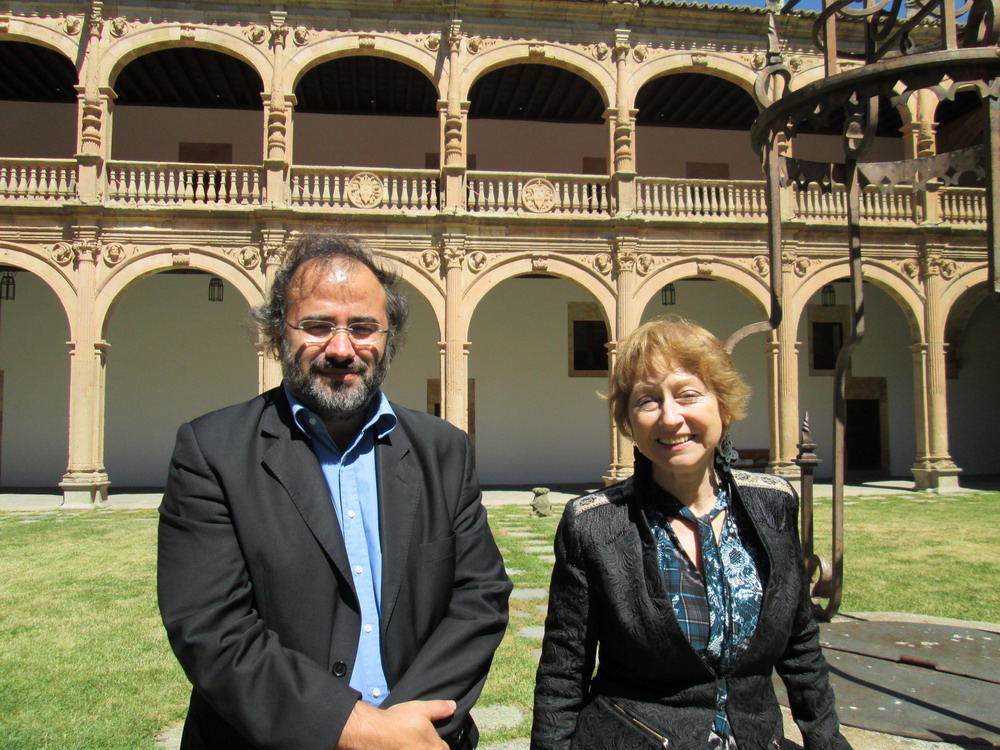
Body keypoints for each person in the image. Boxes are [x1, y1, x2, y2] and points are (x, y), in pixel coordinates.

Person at [158, 233, 511, 750]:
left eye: (364, 327)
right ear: (279, 332)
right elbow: (212, 627)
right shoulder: (212, 450)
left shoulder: (444, 451)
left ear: (389, 336)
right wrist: (355, 730)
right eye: (318, 326)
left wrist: (402, 729)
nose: (342, 348)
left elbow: (479, 599)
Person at [532, 315, 851, 750]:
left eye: (688, 394)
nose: (670, 417)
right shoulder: (595, 523)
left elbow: (800, 646)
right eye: (647, 400)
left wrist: (826, 739)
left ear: (723, 404)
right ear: (628, 421)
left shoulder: (772, 504)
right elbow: (563, 672)